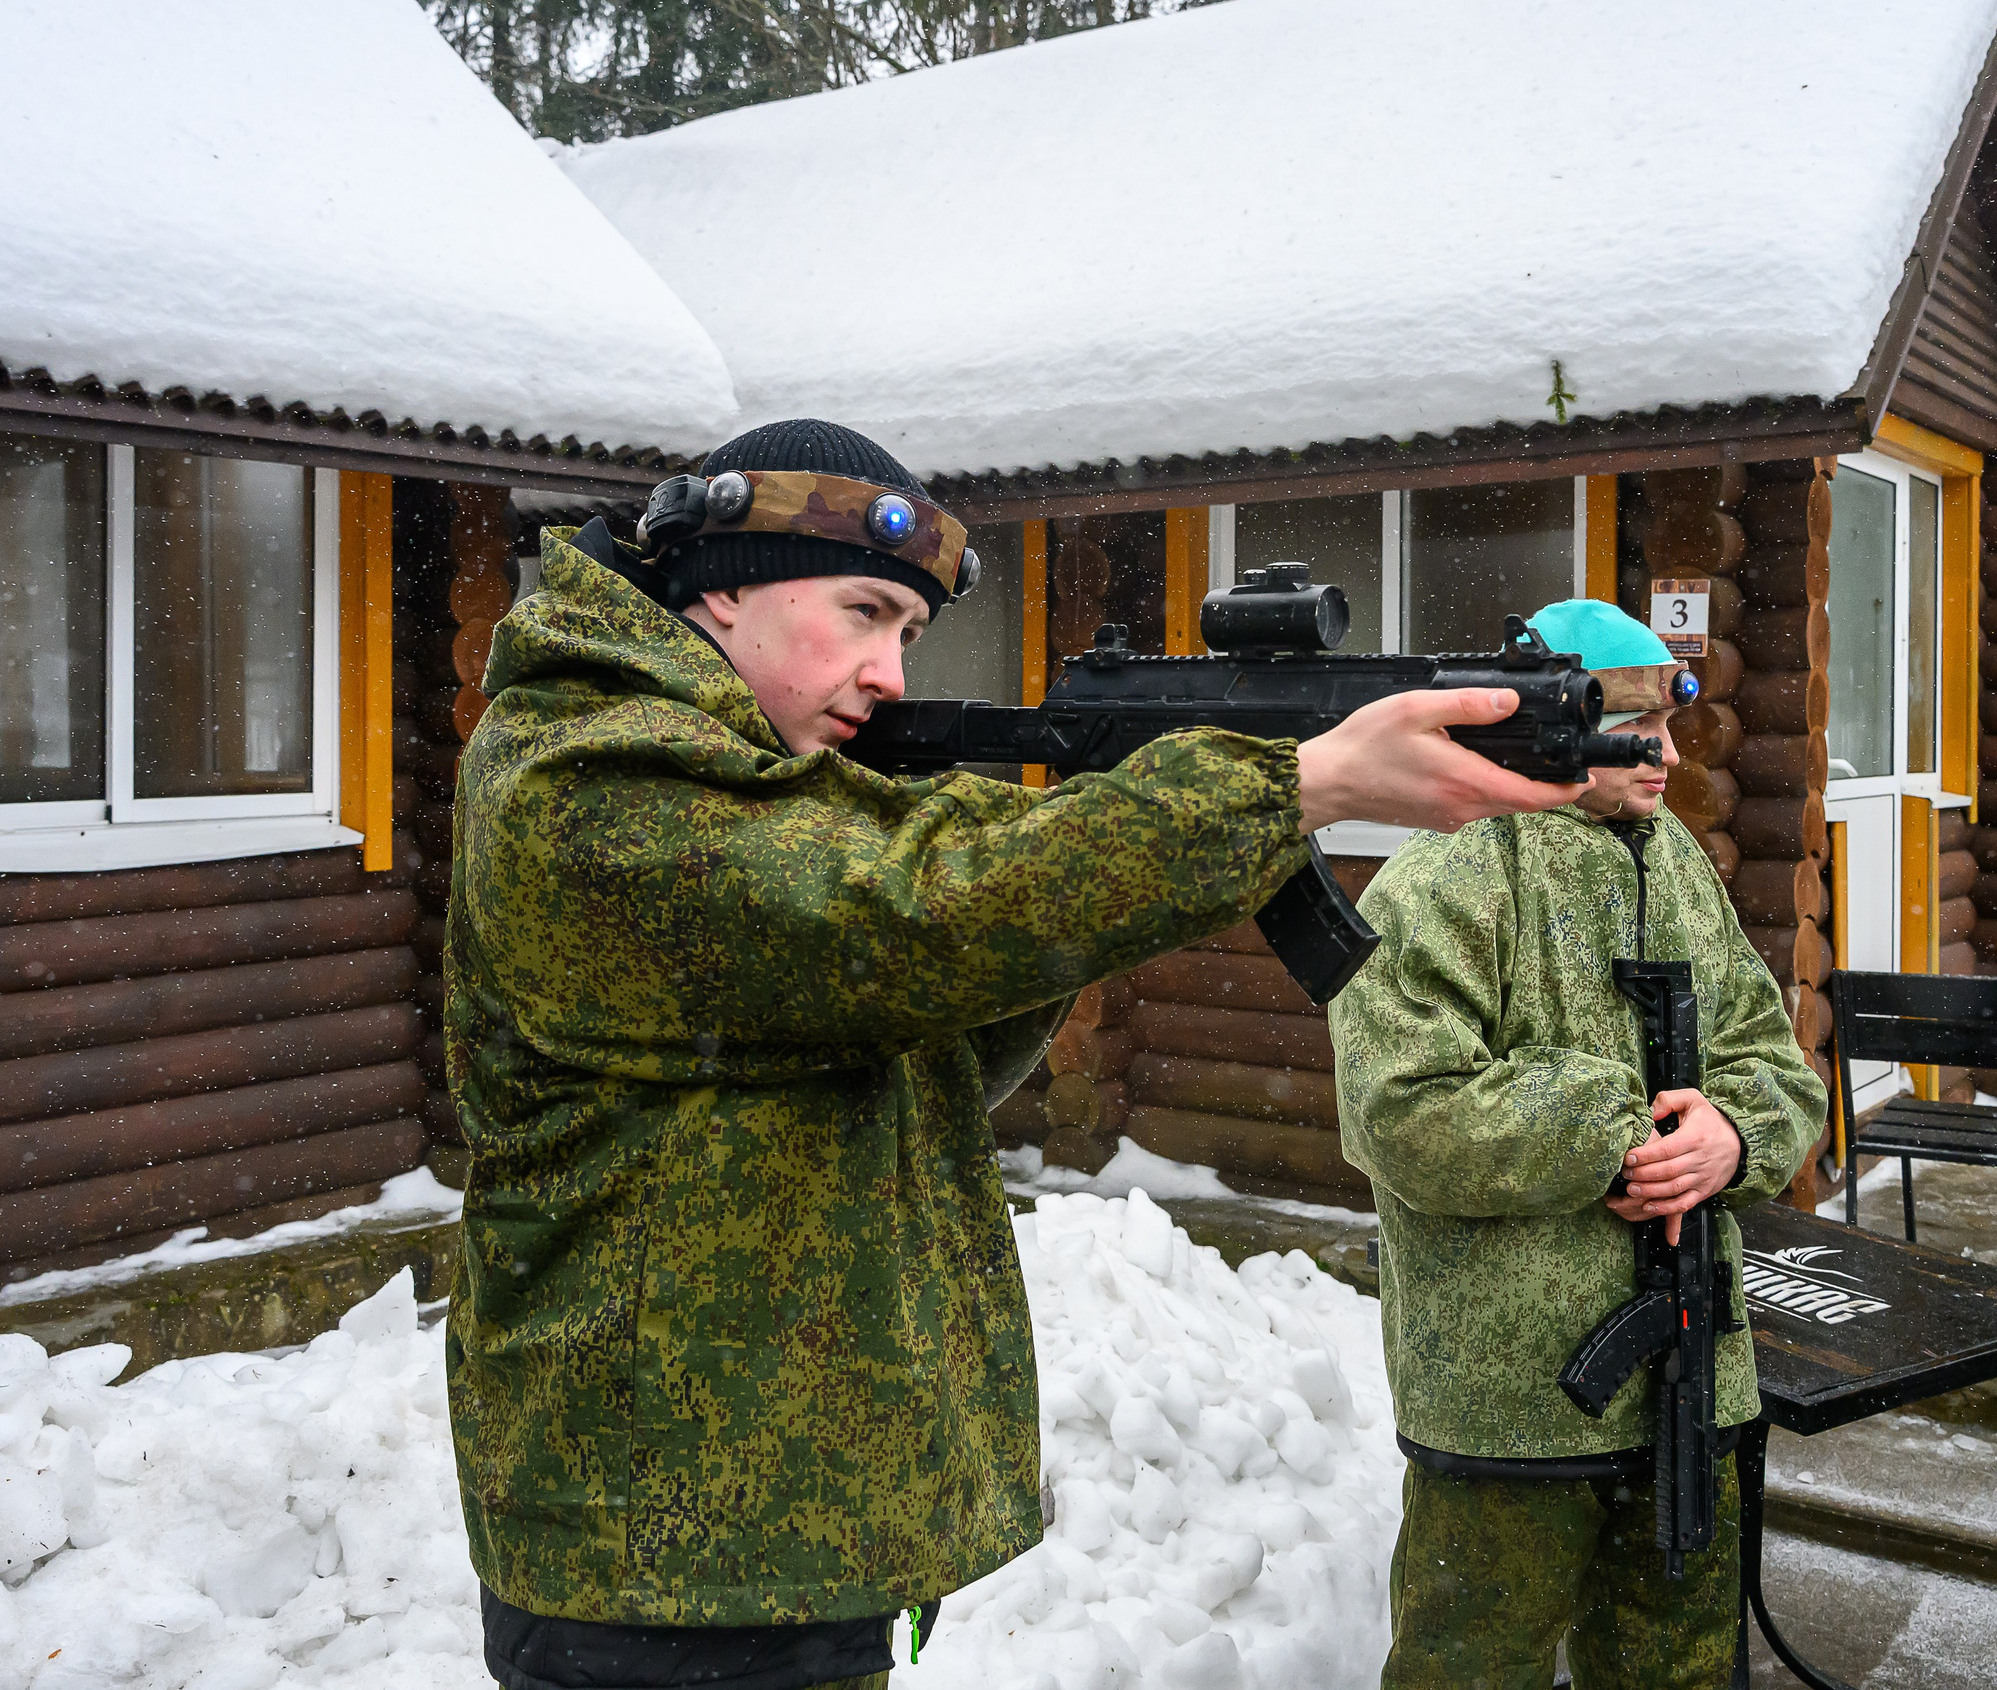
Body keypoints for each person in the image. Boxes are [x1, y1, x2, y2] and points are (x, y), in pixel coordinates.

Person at [442, 418, 1585, 1690]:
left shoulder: (770, 789)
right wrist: (1284, 787)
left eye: (910, 638)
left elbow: (922, 1029)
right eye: (863, 611)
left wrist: (1103, 849)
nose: (885, 671)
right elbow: (901, 919)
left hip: (766, 1519)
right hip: (651, 1552)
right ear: (719, 582)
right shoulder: (578, 778)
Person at [1328, 599, 1827, 1689]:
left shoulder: (1675, 861)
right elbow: (1399, 1110)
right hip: (1510, 1404)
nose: (1665, 754)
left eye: (1672, 721)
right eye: (1631, 724)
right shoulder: (1451, 873)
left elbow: (1777, 1063)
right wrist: (1613, 1134)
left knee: (1680, 1666)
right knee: (1473, 1666)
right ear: (1542, 722)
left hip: (1695, 1379)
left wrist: (1731, 1138)